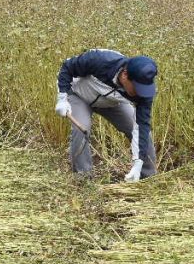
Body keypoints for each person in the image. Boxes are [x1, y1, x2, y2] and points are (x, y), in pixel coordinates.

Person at [55, 50, 158, 182]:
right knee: (81, 128)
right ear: (125, 75)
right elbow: (67, 67)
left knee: (141, 131)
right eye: (137, 87)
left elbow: (141, 126)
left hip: (111, 102)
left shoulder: (143, 92)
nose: (140, 92)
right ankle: (83, 178)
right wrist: (62, 98)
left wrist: (138, 163)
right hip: (79, 96)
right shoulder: (100, 60)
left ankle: (148, 178)